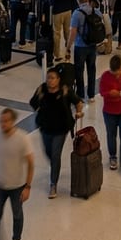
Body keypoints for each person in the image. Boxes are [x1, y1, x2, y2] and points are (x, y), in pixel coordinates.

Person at [30, 68, 83, 199]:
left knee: (55, 154)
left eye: (53, 78)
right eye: (48, 78)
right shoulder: (42, 89)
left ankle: (53, 184)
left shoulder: (65, 90)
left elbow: (78, 102)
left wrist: (78, 112)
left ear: (58, 79)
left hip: (61, 128)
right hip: (45, 127)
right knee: (48, 152)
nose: (50, 80)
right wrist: (38, 96)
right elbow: (33, 104)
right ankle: (55, 167)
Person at [0, 108, 33, 240]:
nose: (3, 124)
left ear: (13, 121)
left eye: (6, 121)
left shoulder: (23, 138)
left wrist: (27, 186)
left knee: (17, 215)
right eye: (1, 121)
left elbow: (31, 163)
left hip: (17, 186)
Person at [68, 0, 101, 103]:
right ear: (88, 0)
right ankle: (91, 95)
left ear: (78, 0)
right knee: (91, 69)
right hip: (92, 45)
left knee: (79, 70)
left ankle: (80, 94)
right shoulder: (96, 11)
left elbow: (73, 32)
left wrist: (68, 47)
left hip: (80, 46)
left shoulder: (77, 14)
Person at [49, 0, 78, 64]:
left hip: (57, 12)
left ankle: (57, 55)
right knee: (67, 33)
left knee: (57, 33)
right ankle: (68, 53)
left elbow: (51, 1)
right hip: (68, 11)